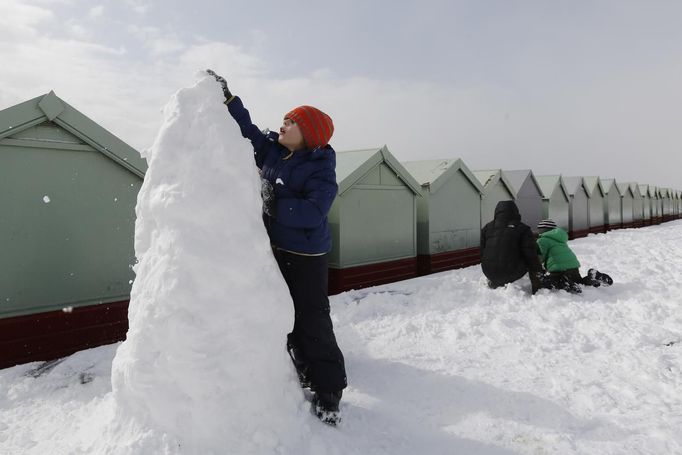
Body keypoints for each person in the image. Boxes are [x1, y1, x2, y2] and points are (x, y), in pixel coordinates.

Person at [206, 70, 346, 425]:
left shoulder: (319, 169)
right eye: (283, 119)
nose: (282, 125)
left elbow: (314, 212)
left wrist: (273, 201)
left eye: (291, 122)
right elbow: (249, 131)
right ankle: (302, 368)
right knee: (282, 313)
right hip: (277, 249)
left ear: (309, 135)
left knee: (311, 319)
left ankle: (329, 390)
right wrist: (228, 100)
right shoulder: (275, 153)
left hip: (306, 256)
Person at [480, 200, 543, 294]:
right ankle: (539, 290)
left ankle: (495, 281)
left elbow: (482, 252)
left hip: (489, 271)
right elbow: (530, 255)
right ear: (515, 212)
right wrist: (538, 270)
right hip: (512, 272)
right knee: (532, 259)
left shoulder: (487, 228)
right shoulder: (523, 229)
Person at [536, 219, 613, 293]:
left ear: (542, 230)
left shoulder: (543, 240)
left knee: (551, 282)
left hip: (559, 269)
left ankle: (565, 282)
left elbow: (539, 257)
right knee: (580, 282)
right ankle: (592, 278)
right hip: (573, 266)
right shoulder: (559, 239)